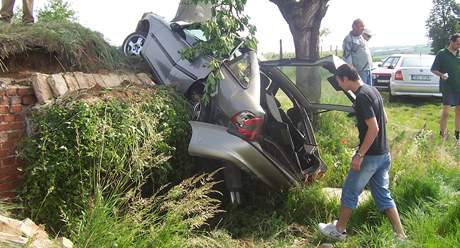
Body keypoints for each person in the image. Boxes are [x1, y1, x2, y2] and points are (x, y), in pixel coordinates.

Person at [318, 64, 406, 241]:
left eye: (338, 82)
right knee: (383, 194)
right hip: (383, 154)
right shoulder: (372, 90)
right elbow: (385, 119)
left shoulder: (361, 97)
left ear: (344, 79)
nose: (339, 85)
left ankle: (339, 230)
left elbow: (374, 128)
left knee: (350, 190)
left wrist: (360, 155)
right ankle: (401, 234)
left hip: (370, 156)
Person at [431, 33, 460, 146]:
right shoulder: (442, 54)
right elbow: (433, 70)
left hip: (459, 87)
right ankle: (442, 135)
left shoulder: (459, 54)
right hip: (447, 87)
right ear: (451, 42)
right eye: (457, 43)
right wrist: (442, 75)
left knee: (459, 111)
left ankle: (457, 136)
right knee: (446, 112)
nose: (459, 45)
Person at [342, 19, 373, 86]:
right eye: (361, 26)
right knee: (362, 92)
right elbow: (346, 57)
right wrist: (352, 72)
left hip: (368, 69)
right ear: (354, 26)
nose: (363, 29)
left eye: (363, 27)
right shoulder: (348, 39)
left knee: (370, 91)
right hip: (360, 72)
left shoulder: (361, 37)